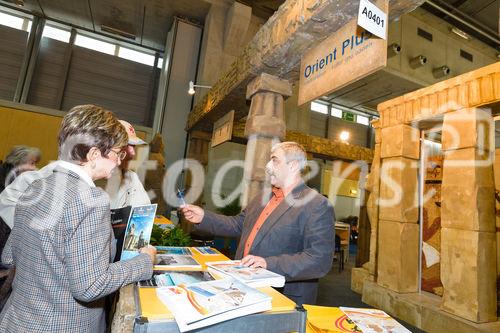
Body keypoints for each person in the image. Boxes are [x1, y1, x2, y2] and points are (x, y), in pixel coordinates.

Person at [0, 104, 156, 332]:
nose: (120, 161)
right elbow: (90, 286)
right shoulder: (92, 199)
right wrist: (144, 262)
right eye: (116, 154)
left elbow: (9, 256)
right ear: (94, 155)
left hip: (16, 321)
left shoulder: (34, 187)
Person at [181, 141, 334, 305]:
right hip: (243, 287)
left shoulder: (317, 204)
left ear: (294, 165)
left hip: (283, 297)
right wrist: (204, 217)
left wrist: (268, 263)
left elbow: (319, 259)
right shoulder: (263, 197)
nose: (268, 166)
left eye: (275, 160)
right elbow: (238, 224)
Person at [107, 120, 150, 209]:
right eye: (127, 145)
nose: (133, 153)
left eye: (134, 146)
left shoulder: (132, 177)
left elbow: (143, 210)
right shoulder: (94, 178)